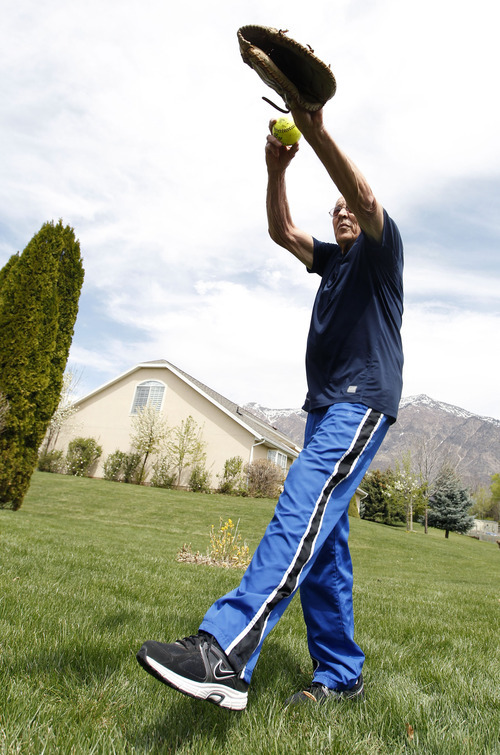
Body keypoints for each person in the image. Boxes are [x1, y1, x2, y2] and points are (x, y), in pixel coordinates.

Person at [136, 103, 404, 711]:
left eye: (347, 205)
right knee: (325, 544)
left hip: (361, 401)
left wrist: (312, 125)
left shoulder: (382, 253)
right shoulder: (333, 263)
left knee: (300, 507)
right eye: (330, 205)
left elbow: (360, 193)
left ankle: (224, 655)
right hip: (323, 406)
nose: (339, 209)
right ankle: (342, 675)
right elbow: (282, 231)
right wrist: (275, 168)